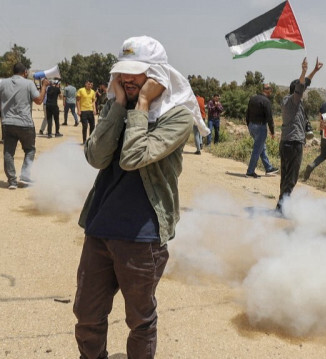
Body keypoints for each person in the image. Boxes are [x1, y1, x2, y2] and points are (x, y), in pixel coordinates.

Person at [74, 35, 197, 358]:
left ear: (156, 76)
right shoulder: (115, 104)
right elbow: (97, 157)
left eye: (136, 73)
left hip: (143, 236)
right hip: (100, 227)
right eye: (123, 73)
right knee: (86, 314)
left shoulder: (178, 116)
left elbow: (133, 157)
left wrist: (141, 105)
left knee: (140, 320)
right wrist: (117, 105)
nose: (127, 80)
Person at [276, 57, 323, 210]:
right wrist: (303, 71)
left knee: (286, 175)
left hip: (286, 142)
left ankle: (281, 204)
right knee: (291, 177)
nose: (303, 91)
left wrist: (314, 71)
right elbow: (301, 86)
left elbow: (304, 84)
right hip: (294, 143)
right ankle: (283, 206)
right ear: (296, 90)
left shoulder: (286, 100)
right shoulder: (294, 101)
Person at [0, 63, 48, 189]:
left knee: (8, 153)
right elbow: (38, 101)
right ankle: (25, 176)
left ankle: (12, 181)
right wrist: (43, 86)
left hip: (7, 123)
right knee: (30, 150)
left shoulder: (3, 83)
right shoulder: (29, 84)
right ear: (25, 72)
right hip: (25, 123)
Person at [245, 83, 278, 178]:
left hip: (251, 126)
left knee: (261, 147)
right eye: (270, 89)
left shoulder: (253, 98)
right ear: (268, 90)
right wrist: (272, 132)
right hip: (260, 127)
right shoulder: (266, 101)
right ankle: (250, 172)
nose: (271, 91)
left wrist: (249, 125)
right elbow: (269, 118)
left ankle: (268, 168)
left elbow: (247, 113)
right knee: (257, 149)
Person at [302, 101, 326, 182]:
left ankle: (312, 165)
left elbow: (320, 119)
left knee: (323, 155)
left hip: (324, 135)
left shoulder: (324, 105)